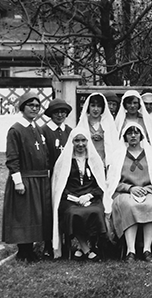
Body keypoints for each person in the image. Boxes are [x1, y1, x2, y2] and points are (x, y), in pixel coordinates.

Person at [3, 92, 52, 262]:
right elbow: (12, 157)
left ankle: (32, 250)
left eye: (37, 106)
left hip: (39, 179)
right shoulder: (16, 130)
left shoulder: (37, 128)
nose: (34, 109)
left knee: (36, 215)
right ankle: (24, 251)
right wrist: (18, 181)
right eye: (31, 105)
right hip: (25, 179)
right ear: (22, 107)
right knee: (25, 215)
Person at [106, 123, 152, 262]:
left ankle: (147, 249)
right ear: (125, 136)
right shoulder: (119, 155)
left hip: (147, 192)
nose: (133, 136)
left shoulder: (149, 155)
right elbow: (112, 181)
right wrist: (130, 188)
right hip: (124, 193)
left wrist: (147, 189)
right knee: (129, 205)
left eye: (136, 132)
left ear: (141, 135)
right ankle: (130, 250)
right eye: (129, 133)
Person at [50, 131, 108, 260]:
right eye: (77, 141)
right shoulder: (64, 161)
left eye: (83, 140)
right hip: (70, 199)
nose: (80, 144)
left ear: (88, 142)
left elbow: (100, 184)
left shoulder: (94, 160)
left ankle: (83, 247)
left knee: (96, 210)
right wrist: (75, 198)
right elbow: (59, 186)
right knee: (73, 212)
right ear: (72, 142)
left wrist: (88, 196)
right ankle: (87, 249)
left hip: (91, 197)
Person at [75, 93, 118, 164]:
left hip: (104, 161)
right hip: (87, 161)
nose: (95, 109)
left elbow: (114, 144)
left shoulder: (108, 123)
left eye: (99, 106)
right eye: (93, 106)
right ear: (88, 107)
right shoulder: (83, 123)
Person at [41, 98, 72, 169]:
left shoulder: (69, 131)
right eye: (56, 112)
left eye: (63, 112)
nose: (60, 115)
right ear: (51, 114)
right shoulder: (43, 131)